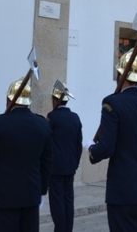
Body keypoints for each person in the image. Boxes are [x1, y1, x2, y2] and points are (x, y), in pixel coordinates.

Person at [86, 54, 137, 232]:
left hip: (124, 191)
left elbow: (107, 147)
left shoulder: (112, 103)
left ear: (119, 74)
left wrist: (92, 149)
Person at [0, 78, 53, 232]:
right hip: (31, 195)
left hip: (4, 197)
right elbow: (47, 162)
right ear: (29, 102)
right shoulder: (43, 124)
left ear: (8, 99)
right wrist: (42, 191)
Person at [47, 82, 82, 232]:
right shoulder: (75, 117)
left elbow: (48, 144)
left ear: (55, 100)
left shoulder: (52, 117)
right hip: (70, 165)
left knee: (57, 201)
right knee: (68, 200)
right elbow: (78, 144)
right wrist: (75, 164)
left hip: (55, 167)